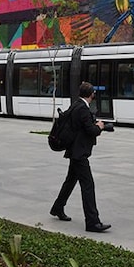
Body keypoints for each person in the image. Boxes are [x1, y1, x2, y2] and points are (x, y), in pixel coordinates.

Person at [50, 81, 111, 233]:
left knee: (70, 181)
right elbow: (90, 130)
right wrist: (99, 126)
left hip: (74, 151)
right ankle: (92, 222)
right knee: (88, 186)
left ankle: (57, 208)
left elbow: (80, 127)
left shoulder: (76, 104)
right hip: (79, 153)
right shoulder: (83, 108)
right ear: (92, 94)